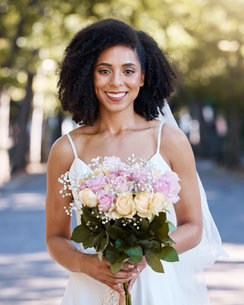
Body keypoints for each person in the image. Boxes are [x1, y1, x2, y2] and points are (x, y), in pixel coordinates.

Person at [45, 19, 226, 305]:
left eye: (128, 70)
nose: (116, 82)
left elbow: (193, 226)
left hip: (157, 287)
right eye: (104, 70)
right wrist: (87, 264)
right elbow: (55, 237)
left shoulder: (169, 141)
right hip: (90, 288)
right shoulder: (66, 150)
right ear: (87, 75)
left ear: (142, 76)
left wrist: (144, 255)